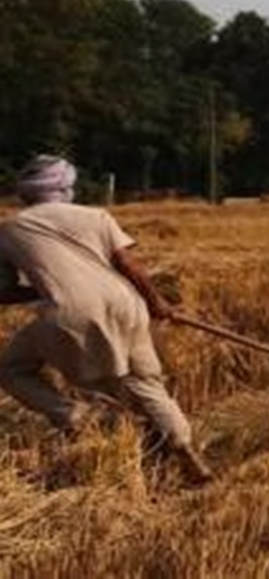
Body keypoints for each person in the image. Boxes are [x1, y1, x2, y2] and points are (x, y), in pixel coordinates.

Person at [0, 155, 212, 485]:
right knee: (145, 382)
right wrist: (156, 302)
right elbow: (127, 264)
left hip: (68, 313)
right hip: (125, 302)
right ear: (65, 188)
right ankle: (184, 448)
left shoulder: (9, 229)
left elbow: (4, 291)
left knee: (12, 369)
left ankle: (78, 417)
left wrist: (49, 287)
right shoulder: (96, 216)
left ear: (27, 192)